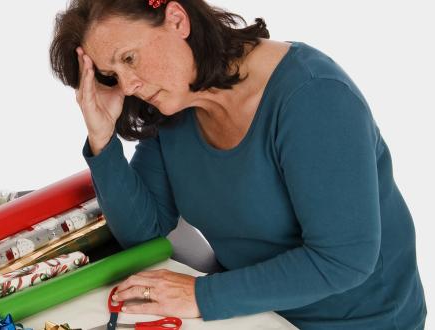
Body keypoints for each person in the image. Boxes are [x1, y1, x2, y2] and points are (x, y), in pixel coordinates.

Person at [49, 0, 426, 328]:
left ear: (177, 20)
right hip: (252, 313)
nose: (128, 86)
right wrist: (102, 140)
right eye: (113, 74)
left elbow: (344, 259)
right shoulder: (176, 105)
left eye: (129, 58)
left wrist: (202, 295)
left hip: (358, 322)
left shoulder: (313, 95)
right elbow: (145, 231)